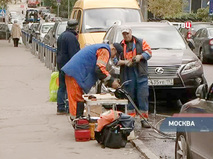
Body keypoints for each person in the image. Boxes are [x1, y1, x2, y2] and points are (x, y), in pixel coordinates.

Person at [62, 43, 123, 119]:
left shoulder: (100, 48)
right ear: (113, 49)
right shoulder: (105, 51)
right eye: (114, 55)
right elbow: (99, 69)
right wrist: (112, 81)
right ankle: (78, 123)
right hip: (75, 73)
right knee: (76, 100)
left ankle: (78, 122)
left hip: (74, 72)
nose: (113, 57)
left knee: (76, 99)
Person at [116, 26, 152, 128]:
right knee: (129, 97)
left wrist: (140, 56)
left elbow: (149, 52)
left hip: (140, 74)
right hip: (127, 74)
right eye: (124, 34)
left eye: (127, 33)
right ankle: (129, 120)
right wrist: (125, 62)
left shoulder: (141, 42)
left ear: (131, 32)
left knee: (143, 96)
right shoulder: (120, 46)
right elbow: (115, 60)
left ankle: (144, 119)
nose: (126, 36)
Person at [56, 19, 80, 115]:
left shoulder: (62, 35)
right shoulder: (71, 38)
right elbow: (73, 54)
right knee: (69, 87)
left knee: (61, 86)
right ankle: (66, 106)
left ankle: (60, 107)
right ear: (76, 27)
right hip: (68, 65)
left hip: (61, 64)